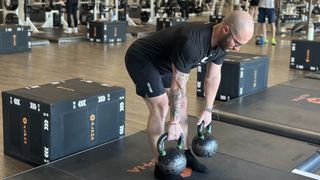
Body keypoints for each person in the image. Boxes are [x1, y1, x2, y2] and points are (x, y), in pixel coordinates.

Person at [125, 10, 254, 180]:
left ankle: (185, 153)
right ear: (225, 30)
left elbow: (213, 76)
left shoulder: (222, 44)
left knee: (182, 104)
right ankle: (160, 165)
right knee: (162, 107)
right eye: (237, 42)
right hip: (142, 59)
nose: (237, 48)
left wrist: (208, 109)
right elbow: (178, 85)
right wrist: (174, 121)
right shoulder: (191, 42)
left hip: (166, 63)